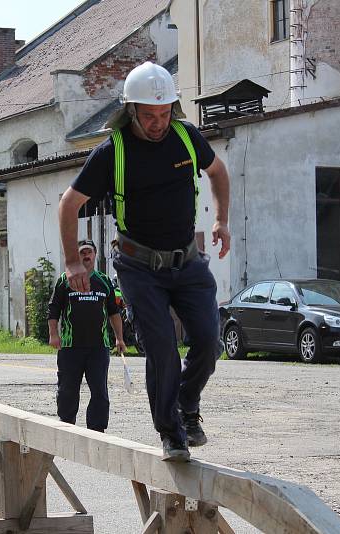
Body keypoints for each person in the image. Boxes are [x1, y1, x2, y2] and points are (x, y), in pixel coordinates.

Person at [58, 61, 231, 462]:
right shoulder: (112, 152)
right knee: (162, 348)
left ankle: (187, 405)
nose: (158, 123)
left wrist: (221, 219)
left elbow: (218, 172)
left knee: (208, 340)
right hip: (138, 266)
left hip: (187, 261)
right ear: (131, 111)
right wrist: (73, 262)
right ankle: (171, 432)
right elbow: (69, 204)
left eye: (165, 113)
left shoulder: (186, 137)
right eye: (149, 115)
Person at [48, 239, 126, 432]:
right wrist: (53, 334)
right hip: (69, 347)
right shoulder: (65, 281)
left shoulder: (104, 281)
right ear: (77, 255)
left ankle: (97, 431)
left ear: (95, 254)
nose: (85, 256)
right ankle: (66, 426)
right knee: (67, 390)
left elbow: (113, 313)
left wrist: (119, 338)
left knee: (100, 392)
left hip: (98, 348)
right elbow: (53, 310)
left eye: (88, 252)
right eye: (81, 252)